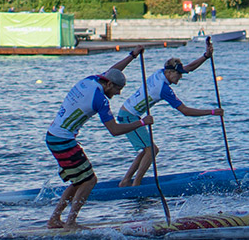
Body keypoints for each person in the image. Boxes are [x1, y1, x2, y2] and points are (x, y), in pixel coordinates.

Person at [45, 47, 152, 229]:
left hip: (54, 137)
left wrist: (132, 55)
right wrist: (142, 123)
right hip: (63, 141)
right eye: (118, 89)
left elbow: (114, 70)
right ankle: (70, 222)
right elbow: (114, 130)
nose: (118, 94)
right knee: (90, 180)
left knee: (79, 180)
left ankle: (55, 220)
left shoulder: (92, 80)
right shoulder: (100, 100)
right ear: (109, 85)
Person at [116, 43, 224, 187]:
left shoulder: (161, 72)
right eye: (178, 75)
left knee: (146, 150)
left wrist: (205, 56)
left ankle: (125, 181)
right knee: (152, 150)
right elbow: (185, 111)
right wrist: (211, 112)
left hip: (128, 114)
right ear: (170, 72)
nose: (179, 78)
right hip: (128, 116)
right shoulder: (163, 88)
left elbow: (189, 68)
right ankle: (136, 185)